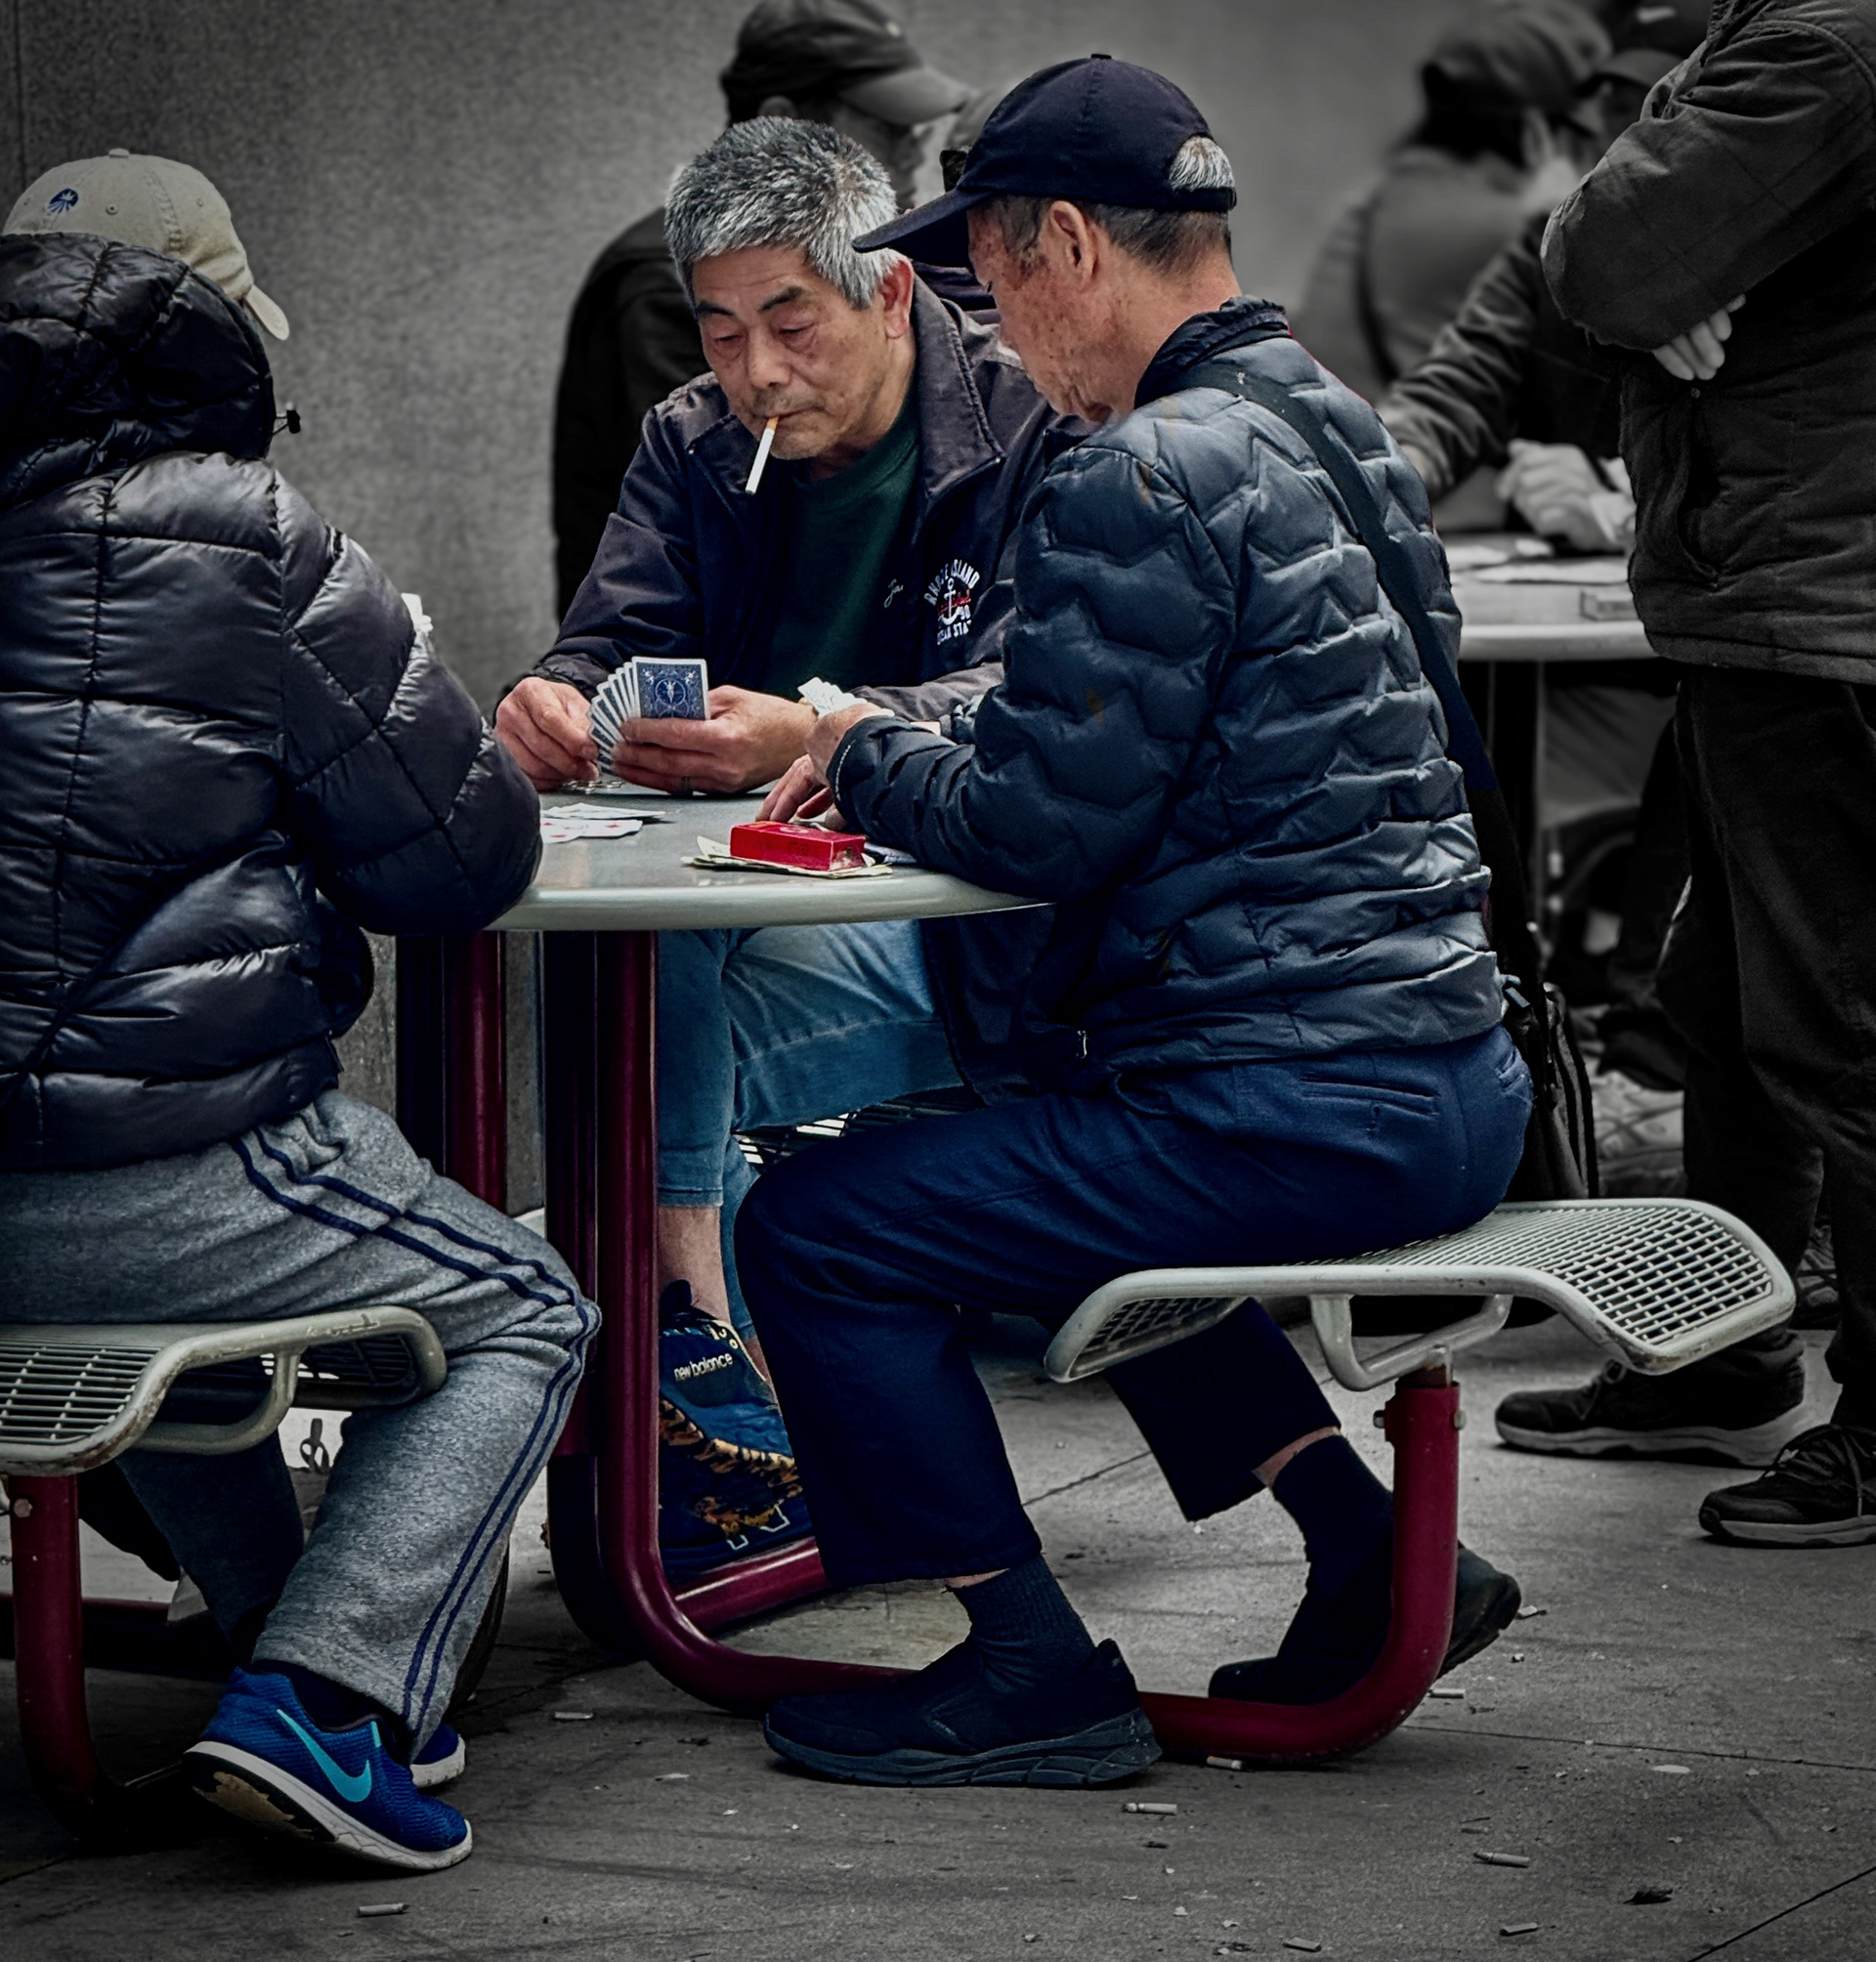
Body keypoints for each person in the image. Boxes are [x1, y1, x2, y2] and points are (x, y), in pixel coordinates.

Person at [730, 56, 1535, 1788]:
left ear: (1071, 246)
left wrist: (858, 749)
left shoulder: (1142, 468)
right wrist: (906, 723)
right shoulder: (1329, 420)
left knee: (819, 1226)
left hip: (1306, 1099)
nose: (994, 328)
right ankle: (1368, 1549)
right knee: (1037, 1165)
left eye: (996, 278)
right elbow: (1098, 704)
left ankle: (1027, 1664)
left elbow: (1035, 828)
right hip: (1449, 1070)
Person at [0, 154, 592, 1870]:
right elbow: (460, 856)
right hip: (169, 1156)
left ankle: (289, 1657)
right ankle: (329, 1706)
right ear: (206, 330)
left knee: (184, 1346)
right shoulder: (243, 534)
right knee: (523, 1311)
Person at [499, 117, 1078, 1354]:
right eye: (719, 327)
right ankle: (711, 1365)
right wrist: (554, 698)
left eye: (790, 319)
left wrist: (816, 731)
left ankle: (694, 1367)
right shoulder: (693, 437)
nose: (754, 370)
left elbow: (1049, 691)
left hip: (978, 919)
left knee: (637, 1070)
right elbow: (605, 640)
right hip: (759, 890)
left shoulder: (1033, 424)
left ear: (888, 288)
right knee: (628, 985)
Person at [1503, 0, 1876, 1545]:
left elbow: (1598, 258)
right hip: (1775, 597)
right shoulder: (1783, 38)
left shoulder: (1828, 43)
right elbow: (1617, 262)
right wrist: (1648, 270)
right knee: (1727, 1003)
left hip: (1820, 608)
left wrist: (1645, 273)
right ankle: (1718, 1349)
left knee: (1837, 1029)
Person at [1379, 0, 1707, 1181]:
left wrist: (1624, 496)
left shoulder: (1789, 254)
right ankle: (1521, 1077)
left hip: (1733, 642)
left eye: (1653, 109)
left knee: (1725, 757)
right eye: (1608, 113)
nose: (1623, 137)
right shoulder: (1550, 244)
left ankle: (1642, 1078)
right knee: (1448, 744)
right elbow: (1449, 393)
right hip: (1593, 657)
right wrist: (1363, 478)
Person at [551, 0, 968, 614]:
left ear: (892, 296)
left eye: (794, 327)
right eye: (886, 125)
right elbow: (669, 566)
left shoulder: (1019, 410)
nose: (911, 151)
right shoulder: (664, 301)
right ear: (786, 119)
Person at [1291, 0, 1608, 528]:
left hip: (1367, 512)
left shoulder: (1387, 200)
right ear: (1538, 133)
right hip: (1438, 529)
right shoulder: (1503, 225)